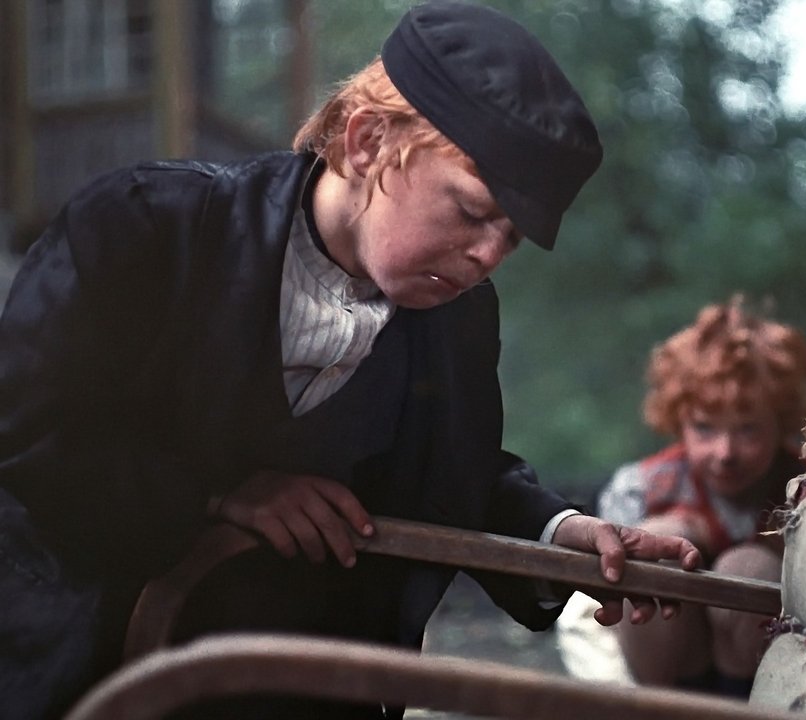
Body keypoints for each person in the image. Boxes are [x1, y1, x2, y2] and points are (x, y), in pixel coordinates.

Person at [0, 3, 698, 719]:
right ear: (367, 142)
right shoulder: (144, 226)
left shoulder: (456, 315)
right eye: (469, 211)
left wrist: (566, 538)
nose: (488, 257)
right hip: (100, 675)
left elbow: (453, 473)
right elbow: (28, 436)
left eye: (511, 239)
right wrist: (220, 495)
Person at [556, 297, 806, 697]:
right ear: (678, 419)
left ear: (780, 423)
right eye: (705, 428)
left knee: (748, 567)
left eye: (748, 430)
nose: (725, 452)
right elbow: (589, 615)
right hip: (657, 677)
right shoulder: (642, 488)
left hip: (760, 682)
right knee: (652, 545)